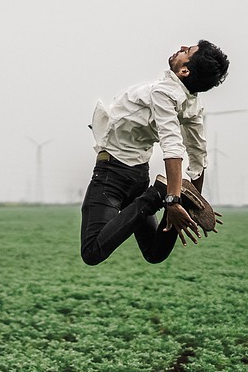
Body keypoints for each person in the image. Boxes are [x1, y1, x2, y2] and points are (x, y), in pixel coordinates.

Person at [80, 39, 229, 266]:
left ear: (184, 70)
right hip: (138, 177)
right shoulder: (192, 104)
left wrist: (171, 198)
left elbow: (172, 145)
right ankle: (159, 195)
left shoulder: (163, 92)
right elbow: (198, 155)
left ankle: (157, 194)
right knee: (155, 253)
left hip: (113, 175)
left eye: (187, 51)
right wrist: (191, 202)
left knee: (92, 252)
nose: (181, 47)